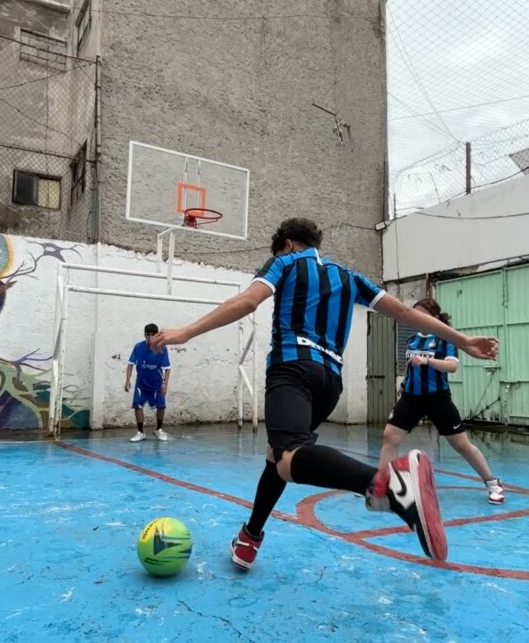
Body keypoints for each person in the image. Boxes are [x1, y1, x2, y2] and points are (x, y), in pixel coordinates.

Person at [151, 218, 499, 568]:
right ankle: (250, 537)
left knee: (288, 456)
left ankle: (392, 488)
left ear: (289, 244)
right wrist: (462, 340)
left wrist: (187, 332)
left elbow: (248, 301)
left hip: (292, 369)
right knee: (277, 455)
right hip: (329, 382)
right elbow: (404, 312)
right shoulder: (350, 277)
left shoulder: (286, 263)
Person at [381, 298, 506, 505]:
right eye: (415, 314)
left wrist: (427, 360)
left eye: (422, 314)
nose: (417, 318)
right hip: (410, 398)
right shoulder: (412, 339)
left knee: (461, 445)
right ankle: (385, 485)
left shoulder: (445, 338)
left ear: (434, 317)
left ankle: (493, 482)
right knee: (389, 437)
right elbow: (410, 365)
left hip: (437, 399)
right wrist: (403, 383)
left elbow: (452, 366)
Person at [124, 324, 172, 442]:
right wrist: (128, 380)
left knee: (161, 406)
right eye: (148, 334)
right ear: (145, 335)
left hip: (157, 383)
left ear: (157, 335)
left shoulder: (162, 348)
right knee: (137, 406)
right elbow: (130, 364)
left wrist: (165, 384)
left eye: (153, 334)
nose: (150, 337)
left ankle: (158, 429)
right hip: (141, 383)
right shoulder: (138, 347)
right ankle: (141, 432)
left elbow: (167, 368)